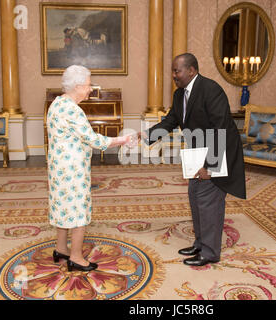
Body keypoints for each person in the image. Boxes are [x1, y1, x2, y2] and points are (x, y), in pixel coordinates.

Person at [145, 53, 246, 267]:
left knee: (209, 202)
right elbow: (172, 120)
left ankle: (209, 252)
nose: (173, 75)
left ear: (191, 70)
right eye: (173, 71)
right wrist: (148, 135)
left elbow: (221, 128)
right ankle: (200, 243)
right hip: (196, 153)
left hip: (216, 152)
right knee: (195, 197)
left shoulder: (211, 89)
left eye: (177, 71)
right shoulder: (179, 93)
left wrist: (210, 165)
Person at [47, 65, 135, 271]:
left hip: (57, 167)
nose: (89, 89)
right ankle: (76, 257)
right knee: (78, 210)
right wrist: (123, 139)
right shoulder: (72, 110)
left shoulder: (57, 103)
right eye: (87, 86)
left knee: (63, 205)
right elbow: (95, 140)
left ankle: (61, 248)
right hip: (72, 170)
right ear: (77, 86)